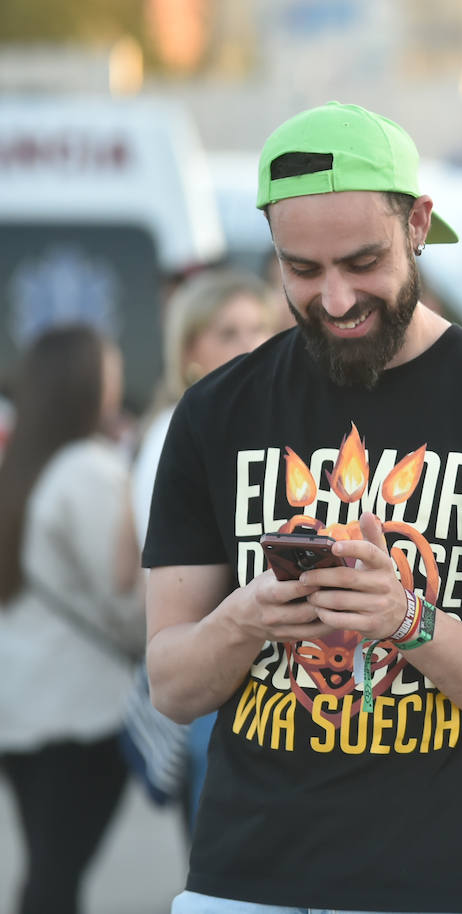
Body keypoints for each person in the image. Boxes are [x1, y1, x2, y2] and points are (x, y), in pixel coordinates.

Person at [142, 102, 462, 914]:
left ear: (419, 223)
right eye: (303, 271)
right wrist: (245, 619)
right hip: (245, 883)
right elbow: (171, 684)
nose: (338, 297)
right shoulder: (216, 413)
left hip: (447, 884)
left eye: (363, 261)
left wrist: (407, 619)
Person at [0, 325, 144, 914]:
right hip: (80, 714)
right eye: (110, 368)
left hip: (19, 711)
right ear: (87, 383)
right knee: (56, 876)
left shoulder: (19, 466)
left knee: (47, 868)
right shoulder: (86, 469)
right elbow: (124, 600)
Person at [129, 268, 272, 827]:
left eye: (259, 327)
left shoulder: (240, 418)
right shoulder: (177, 429)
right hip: (209, 666)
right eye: (229, 332)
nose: (250, 344)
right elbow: (160, 558)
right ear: (189, 348)